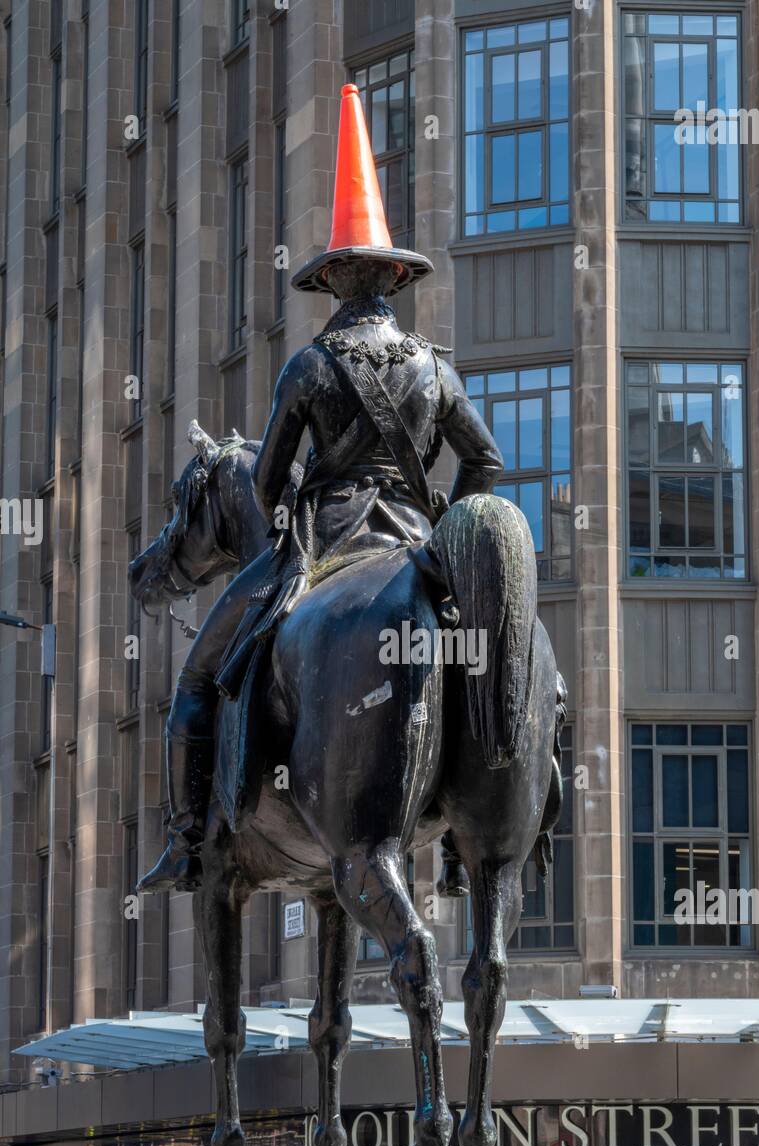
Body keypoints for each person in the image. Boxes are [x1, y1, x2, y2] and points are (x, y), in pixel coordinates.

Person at [138, 84, 504, 894]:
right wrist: (435, 524)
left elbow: (265, 490)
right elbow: (486, 465)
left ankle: (189, 839)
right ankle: (484, 822)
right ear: (392, 279)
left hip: (325, 545)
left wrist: (303, 494)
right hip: (418, 540)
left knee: (196, 684)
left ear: (334, 279)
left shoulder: (310, 366)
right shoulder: (436, 367)